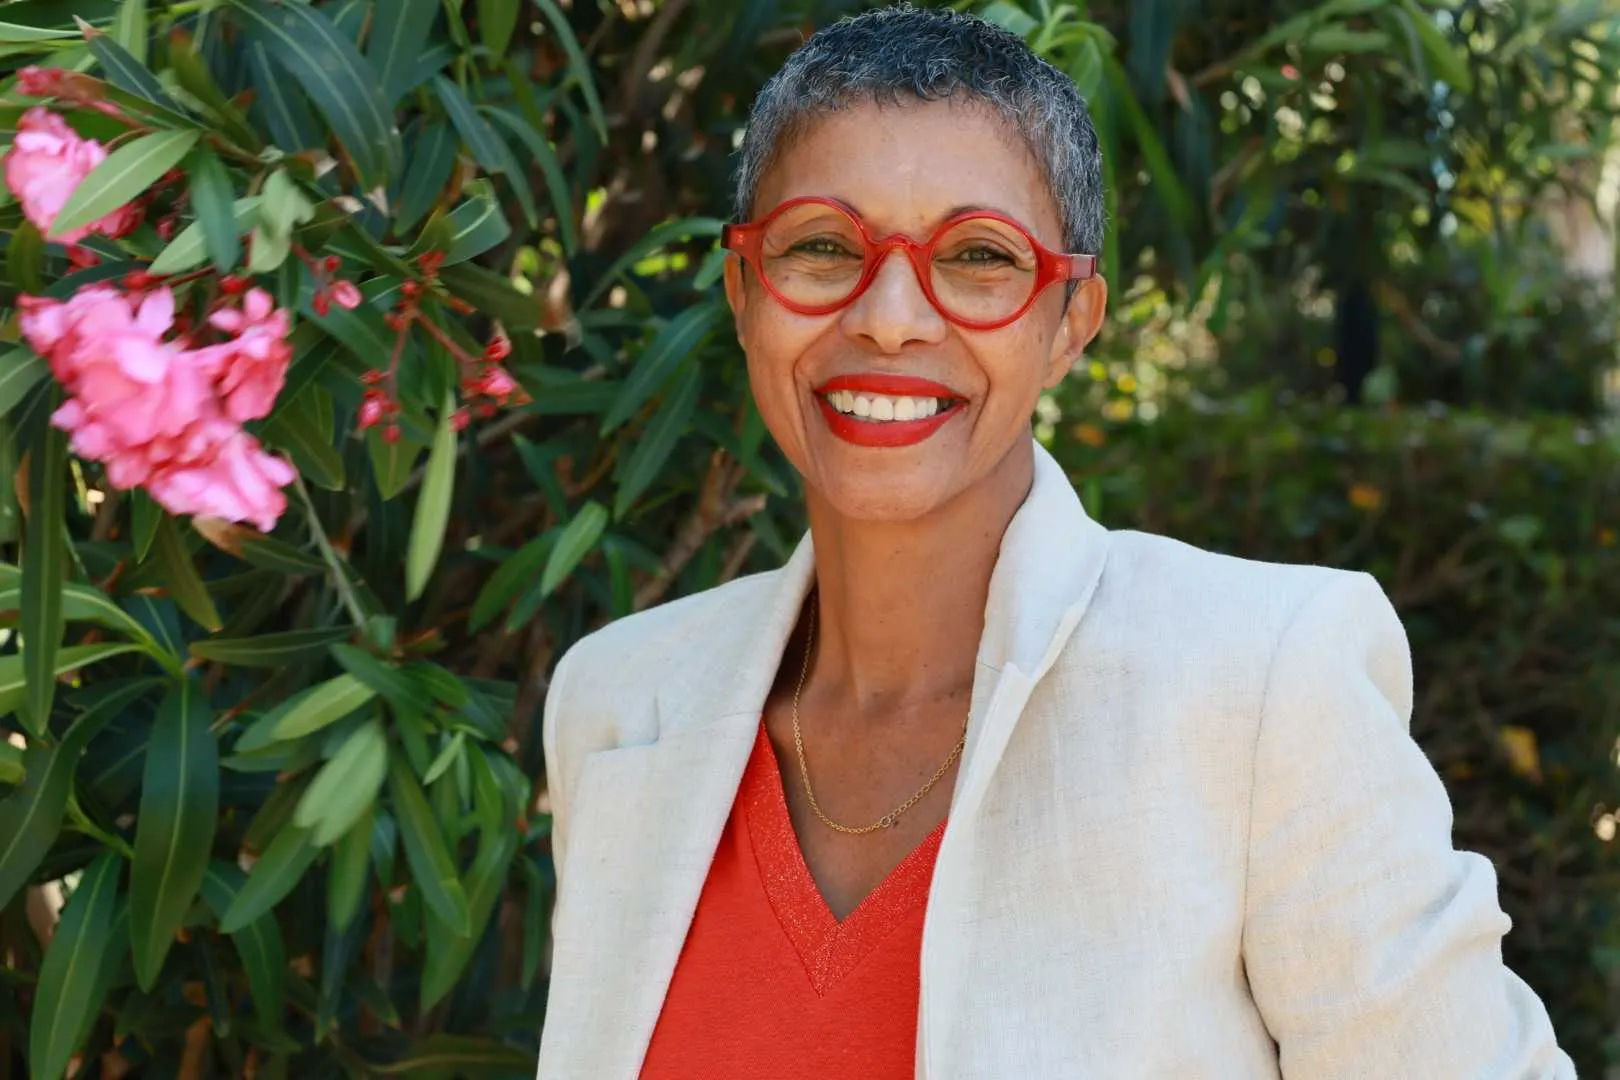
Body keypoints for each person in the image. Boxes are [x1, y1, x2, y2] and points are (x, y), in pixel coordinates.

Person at [535, 5, 1573, 1077]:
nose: (891, 316)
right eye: (824, 247)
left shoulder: (1260, 686)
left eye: (979, 256)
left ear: (1070, 321)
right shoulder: (620, 705)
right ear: (745, 291)